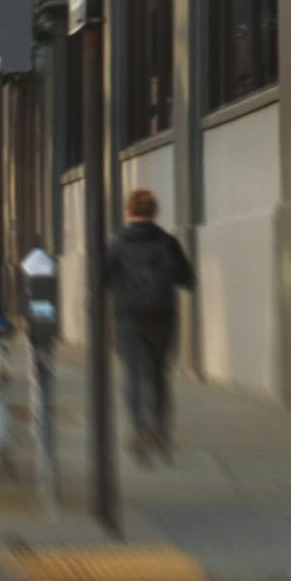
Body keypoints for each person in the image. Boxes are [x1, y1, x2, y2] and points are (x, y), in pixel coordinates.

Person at [103, 188, 193, 464]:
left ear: (128, 211)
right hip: (162, 316)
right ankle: (160, 431)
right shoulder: (168, 242)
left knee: (132, 375)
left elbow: (102, 277)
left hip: (128, 316)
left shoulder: (117, 243)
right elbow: (187, 278)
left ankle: (138, 428)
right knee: (158, 375)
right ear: (155, 212)